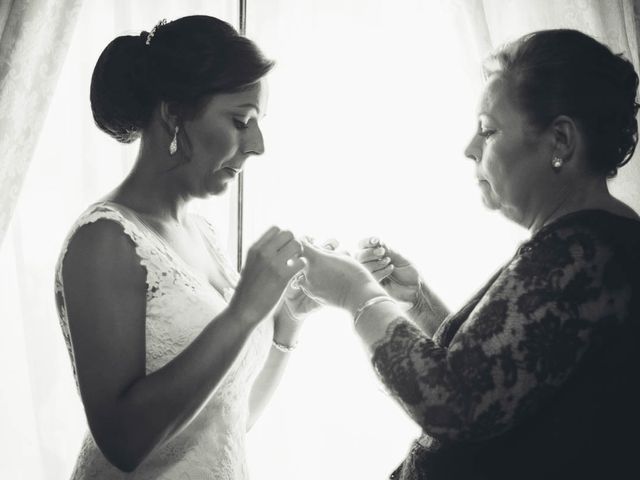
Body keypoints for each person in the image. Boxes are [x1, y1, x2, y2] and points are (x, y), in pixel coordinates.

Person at [299, 29, 640, 479]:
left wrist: (355, 292)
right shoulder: (586, 245)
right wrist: (418, 303)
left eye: (488, 130)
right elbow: (505, 377)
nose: (469, 148)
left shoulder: (582, 254)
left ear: (560, 141)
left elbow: (455, 402)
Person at [54, 15, 313, 479]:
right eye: (241, 121)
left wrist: (286, 322)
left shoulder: (202, 235)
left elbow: (227, 421)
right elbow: (123, 442)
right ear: (174, 113)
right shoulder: (105, 240)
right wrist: (243, 312)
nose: (257, 145)